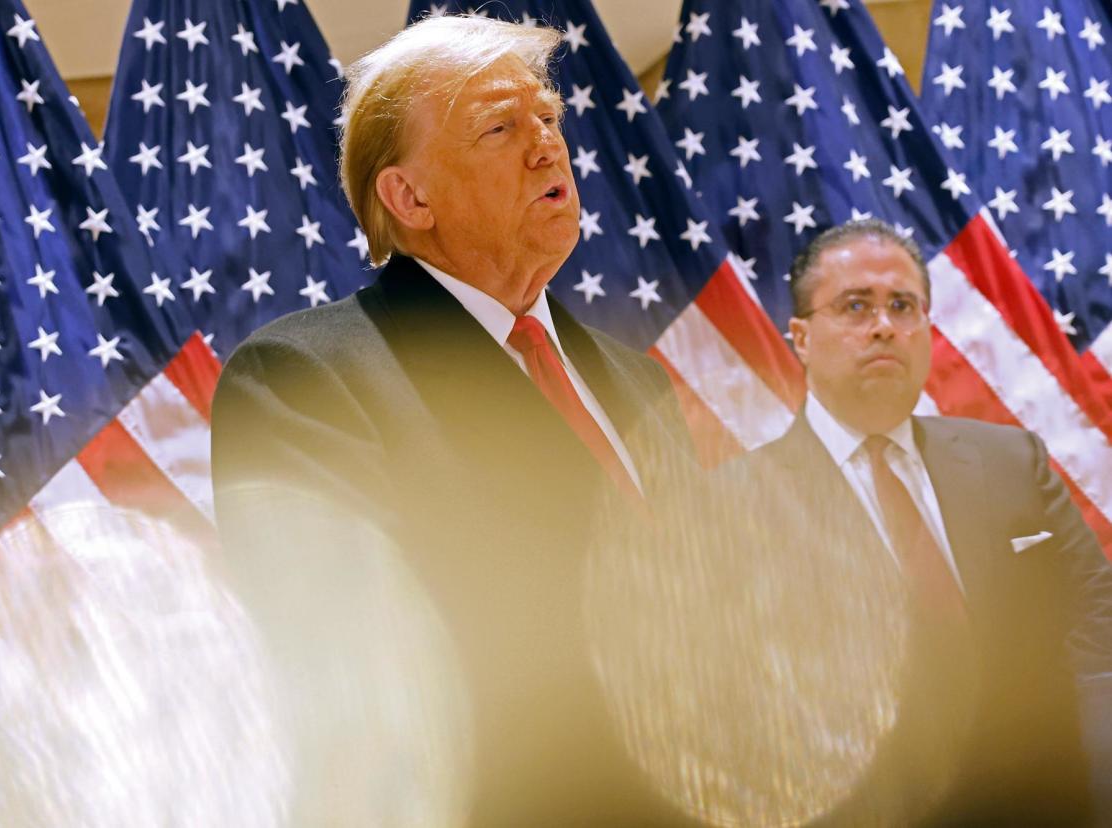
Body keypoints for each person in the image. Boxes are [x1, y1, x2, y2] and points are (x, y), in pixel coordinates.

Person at [210, 15, 695, 827]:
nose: (547, 146)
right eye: (500, 127)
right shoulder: (307, 379)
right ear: (409, 196)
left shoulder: (639, 387)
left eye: (548, 118)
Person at [742, 218, 1112, 825]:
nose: (884, 326)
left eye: (903, 306)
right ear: (802, 338)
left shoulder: (1012, 461)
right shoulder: (737, 505)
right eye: (855, 306)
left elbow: (1097, 617)